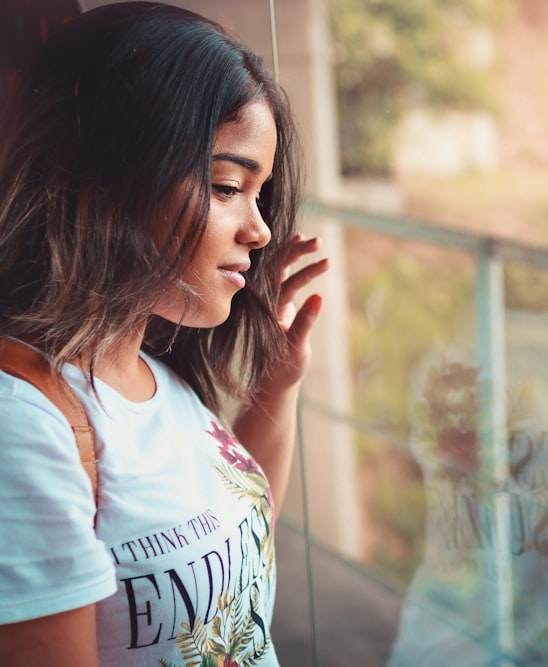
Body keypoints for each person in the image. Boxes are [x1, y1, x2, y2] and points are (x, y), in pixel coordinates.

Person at [0, 3, 328, 665]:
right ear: (108, 174)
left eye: (258, 194)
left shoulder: (155, 364)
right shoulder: (23, 423)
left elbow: (237, 547)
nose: (259, 230)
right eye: (227, 185)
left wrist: (279, 384)